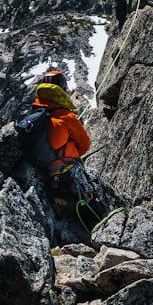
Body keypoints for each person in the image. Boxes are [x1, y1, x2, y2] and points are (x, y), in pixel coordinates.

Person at [25, 69, 109, 228]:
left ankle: (58, 201)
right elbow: (84, 145)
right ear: (62, 90)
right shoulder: (67, 117)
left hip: (45, 175)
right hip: (69, 176)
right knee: (96, 212)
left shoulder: (36, 116)